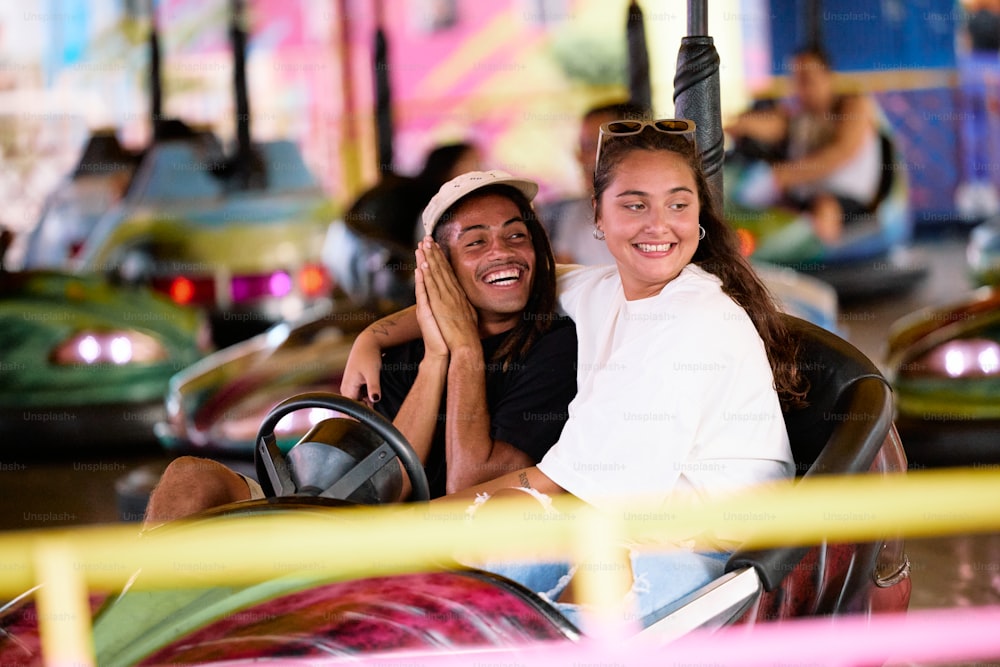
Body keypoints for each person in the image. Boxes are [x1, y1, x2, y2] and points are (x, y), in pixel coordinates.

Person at [340, 121, 808, 630]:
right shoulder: (604, 290)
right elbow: (486, 291)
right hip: (623, 529)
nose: (659, 226)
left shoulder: (687, 321)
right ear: (598, 218)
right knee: (457, 579)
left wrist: (396, 536)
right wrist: (376, 336)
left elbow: (541, 485)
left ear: (698, 219)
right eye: (635, 205)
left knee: (493, 603)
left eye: (678, 205)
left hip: (716, 560)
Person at [143, 169, 577, 522]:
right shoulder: (408, 352)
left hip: (424, 556)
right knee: (189, 477)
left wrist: (464, 353)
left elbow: (469, 494)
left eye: (516, 236)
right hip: (346, 520)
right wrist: (435, 359)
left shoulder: (554, 349)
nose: (501, 252)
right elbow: (384, 481)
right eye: (476, 242)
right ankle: (145, 618)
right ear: (437, 267)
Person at [725, 46, 883, 244]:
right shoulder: (799, 117)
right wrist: (737, 124)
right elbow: (774, 126)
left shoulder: (853, 105)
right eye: (796, 80)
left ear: (828, 77)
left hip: (847, 198)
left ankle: (829, 265)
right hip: (803, 196)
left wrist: (783, 176)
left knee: (825, 208)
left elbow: (841, 153)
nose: (801, 88)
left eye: (807, 79)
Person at [538, 100, 647, 265]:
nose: (580, 158)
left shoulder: (655, 215)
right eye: (581, 147)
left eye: (590, 146)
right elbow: (563, 272)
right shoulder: (579, 211)